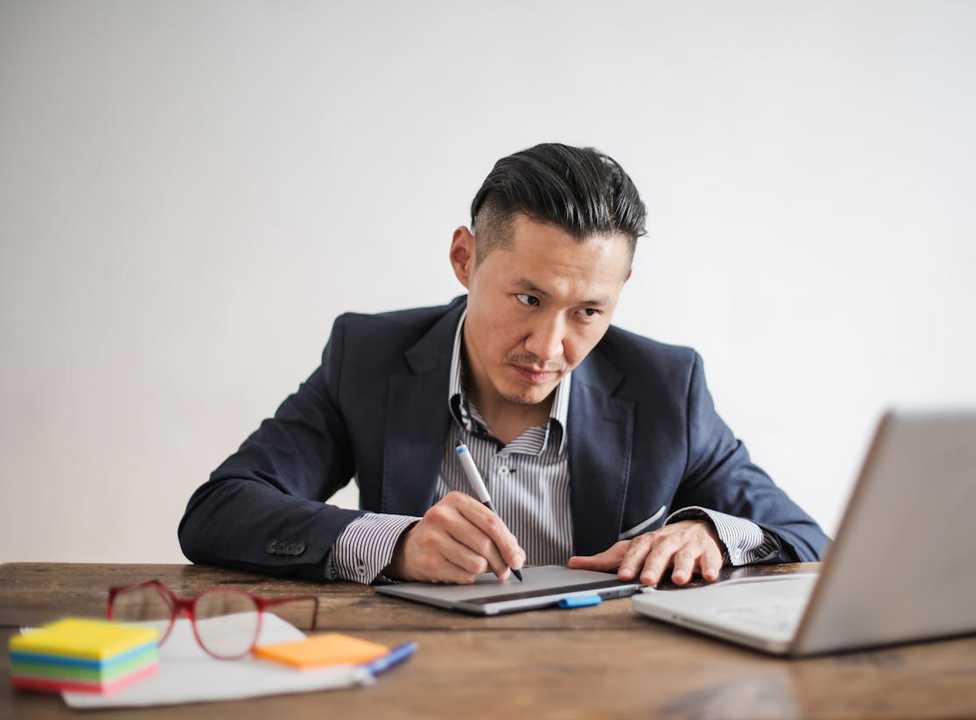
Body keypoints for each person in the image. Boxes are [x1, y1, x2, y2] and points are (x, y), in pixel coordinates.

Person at [178, 143, 829, 587]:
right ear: (465, 260)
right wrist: (396, 545)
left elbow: (805, 538)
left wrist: (713, 538)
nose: (549, 348)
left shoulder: (668, 388)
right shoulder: (367, 358)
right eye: (528, 298)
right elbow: (220, 510)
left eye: (589, 312)